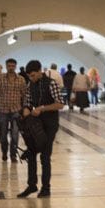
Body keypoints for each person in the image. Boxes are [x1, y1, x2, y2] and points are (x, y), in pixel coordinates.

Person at [17, 59, 65, 198]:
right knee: (31, 154)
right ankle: (32, 185)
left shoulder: (51, 84)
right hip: (36, 124)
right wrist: (26, 109)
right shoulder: (30, 85)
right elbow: (28, 101)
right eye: (29, 76)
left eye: (33, 75)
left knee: (45, 156)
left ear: (39, 71)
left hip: (50, 124)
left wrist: (42, 108)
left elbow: (60, 104)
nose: (31, 78)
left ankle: (46, 188)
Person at [0, 58, 26, 162]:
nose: (11, 68)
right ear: (6, 66)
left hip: (16, 111)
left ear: (15, 66)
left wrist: (25, 109)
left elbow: (24, 96)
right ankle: (4, 152)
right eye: (9, 66)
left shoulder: (21, 79)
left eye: (13, 66)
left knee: (15, 134)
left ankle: (13, 155)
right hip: (2, 111)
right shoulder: (0, 79)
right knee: (3, 135)